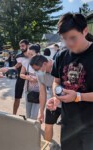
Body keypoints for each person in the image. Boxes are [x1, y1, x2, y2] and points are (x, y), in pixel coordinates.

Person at [47, 13, 93, 150]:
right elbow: (56, 81)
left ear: (85, 31)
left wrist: (78, 96)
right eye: (64, 38)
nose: (68, 43)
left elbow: (77, 96)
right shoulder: (61, 56)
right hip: (68, 124)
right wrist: (56, 97)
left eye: (73, 38)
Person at [30, 55, 61, 142]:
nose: (36, 72)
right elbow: (42, 93)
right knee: (48, 125)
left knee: (68, 130)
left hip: (68, 102)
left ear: (44, 64)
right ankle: (48, 146)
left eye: (37, 69)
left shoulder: (60, 65)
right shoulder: (40, 74)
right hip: (52, 103)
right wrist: (41, 112)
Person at [20, 44, 40, 119]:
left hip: (39, 91)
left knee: (34, 115)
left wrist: (37, 78)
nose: (30, 56)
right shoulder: (26, 62)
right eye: (29, 54)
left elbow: (47, 77)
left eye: (32, 54)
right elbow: (21, 74)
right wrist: (27, 77)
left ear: (37, 53)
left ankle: (33, 129)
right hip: (28, 90)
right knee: (28, 114)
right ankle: (30, 129)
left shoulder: (43, 63)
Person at [13, 39, 29, 115]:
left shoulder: (32, 55)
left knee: (30, 99)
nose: (21, 48)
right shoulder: (18, 56)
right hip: (20, 78)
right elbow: (15, 67)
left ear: (27, 45)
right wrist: (16, 66)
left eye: (23, 46)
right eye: (20, 46)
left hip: (30, 80)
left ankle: (30, 117)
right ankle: (14, 115)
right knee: (17, 98)